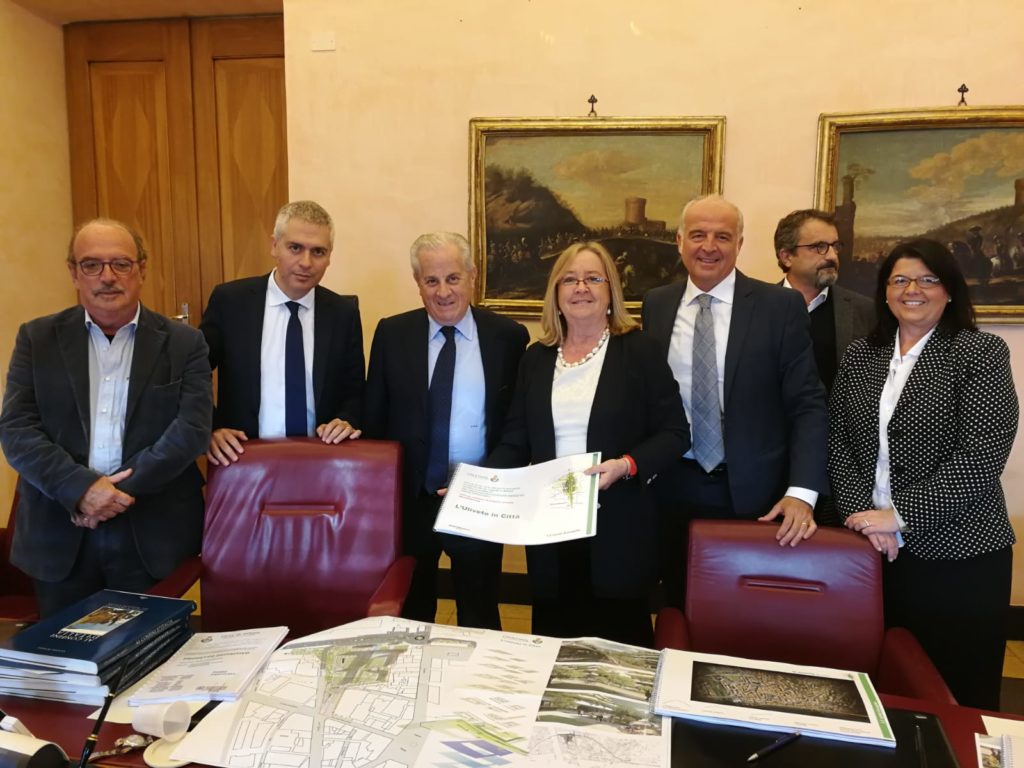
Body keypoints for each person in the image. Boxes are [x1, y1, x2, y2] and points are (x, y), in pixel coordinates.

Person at [829, 238, 1018, 710]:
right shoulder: (861, 355)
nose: (912, 290)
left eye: (928, 279)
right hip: (871, 552)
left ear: (949, 290)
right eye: (900, 280)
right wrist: (863, 516)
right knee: (876, 689)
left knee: (955, 695)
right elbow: (837, 443)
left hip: (959, 556)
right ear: (885, 291)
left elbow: (981, 456)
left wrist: (898, 517)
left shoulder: (980, 352)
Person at [0, 219, 212, 617]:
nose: (107, 277)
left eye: (121, 264)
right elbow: (17, 430)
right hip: (60, 534)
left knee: (153, 651)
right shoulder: (37, 339)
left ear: (142, 270)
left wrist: (111, 495)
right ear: (73, 273)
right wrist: (81, 489)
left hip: (153, 533)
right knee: (65, 651)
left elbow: (192, 429)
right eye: (92, 265)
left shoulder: (185, 343)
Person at [488, 241, 688, 647]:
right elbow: (516, 439)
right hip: (551, 528)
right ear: (556, 293)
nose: (581, 287)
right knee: (553, 646)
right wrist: (477, 484)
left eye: (593, 278)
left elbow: (675, 433)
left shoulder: (640, 351)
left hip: (618, 526)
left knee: (618, 653)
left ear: (611, 290)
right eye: (570, 279)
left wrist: (626, 464)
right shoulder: (536, 358)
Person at [642, 195, 828, 609]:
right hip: (671, 487)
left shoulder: (779, 307)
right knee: (678, 606)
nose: (709, 246)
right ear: (679, 241)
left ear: (740, 244)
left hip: (755, 496)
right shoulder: (657, 304)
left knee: (747, 614)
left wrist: (802, 493)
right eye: (698, 235)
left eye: (723, 236)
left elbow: (807, 404)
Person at [363, 232, 528, 629]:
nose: (443, 292)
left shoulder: (508, 337)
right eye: (431, 281)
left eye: (453, 278)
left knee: (479, 609)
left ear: (473, 276)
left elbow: (515, 424)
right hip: (412, 497)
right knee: (411, 610)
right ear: (417, 282)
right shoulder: (392, 333)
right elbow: (375, 418)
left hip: (478, 496)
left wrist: (487, 480)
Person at [199, 200, 364, 465]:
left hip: (322, 460)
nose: (306, 262)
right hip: (243, 458)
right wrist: (211, 427)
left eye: (318, 252)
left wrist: (347, 420)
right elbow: (193, 372)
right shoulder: (231, 302)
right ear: (275, 245)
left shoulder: (342, 313)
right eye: (295, 248)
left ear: (330, 256)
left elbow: (355, 390)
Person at [774, 208, 874, 395]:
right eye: (819, 247)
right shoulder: (757, 308)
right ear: (786, 257)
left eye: (835, 246)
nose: (832, 256)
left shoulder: (864, 311)